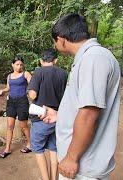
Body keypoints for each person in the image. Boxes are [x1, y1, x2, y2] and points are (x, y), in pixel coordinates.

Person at [41, 13, 121, 179]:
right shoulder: (87, 58)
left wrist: (71, 158)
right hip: (82, 165)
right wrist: (59, 115)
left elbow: (89, 114)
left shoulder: (93, 59)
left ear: (61, 39)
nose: (55, 46)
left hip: (83, 168)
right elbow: (83, 106)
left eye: (54, 42)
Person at [27, 48, 67, 180]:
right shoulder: (63, 73)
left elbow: (33, 95)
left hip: (41, 119)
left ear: (40, 61)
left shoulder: (38, 72)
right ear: (55, 60)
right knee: (54, 150)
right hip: (57, 117)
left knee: (38, 149)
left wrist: (30, 83)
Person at [0, 55, 32, 158]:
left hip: (22, 102)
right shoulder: (9, 76)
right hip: (11, 102)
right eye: (17, 64)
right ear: (12, 65)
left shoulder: (25, 74)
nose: (19, 66)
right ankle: (7, 149)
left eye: (21, 64)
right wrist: (2, 90)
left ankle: (29, 144)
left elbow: (33, 84)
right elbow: (8, 87)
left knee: (23, 126)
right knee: (10, 126)